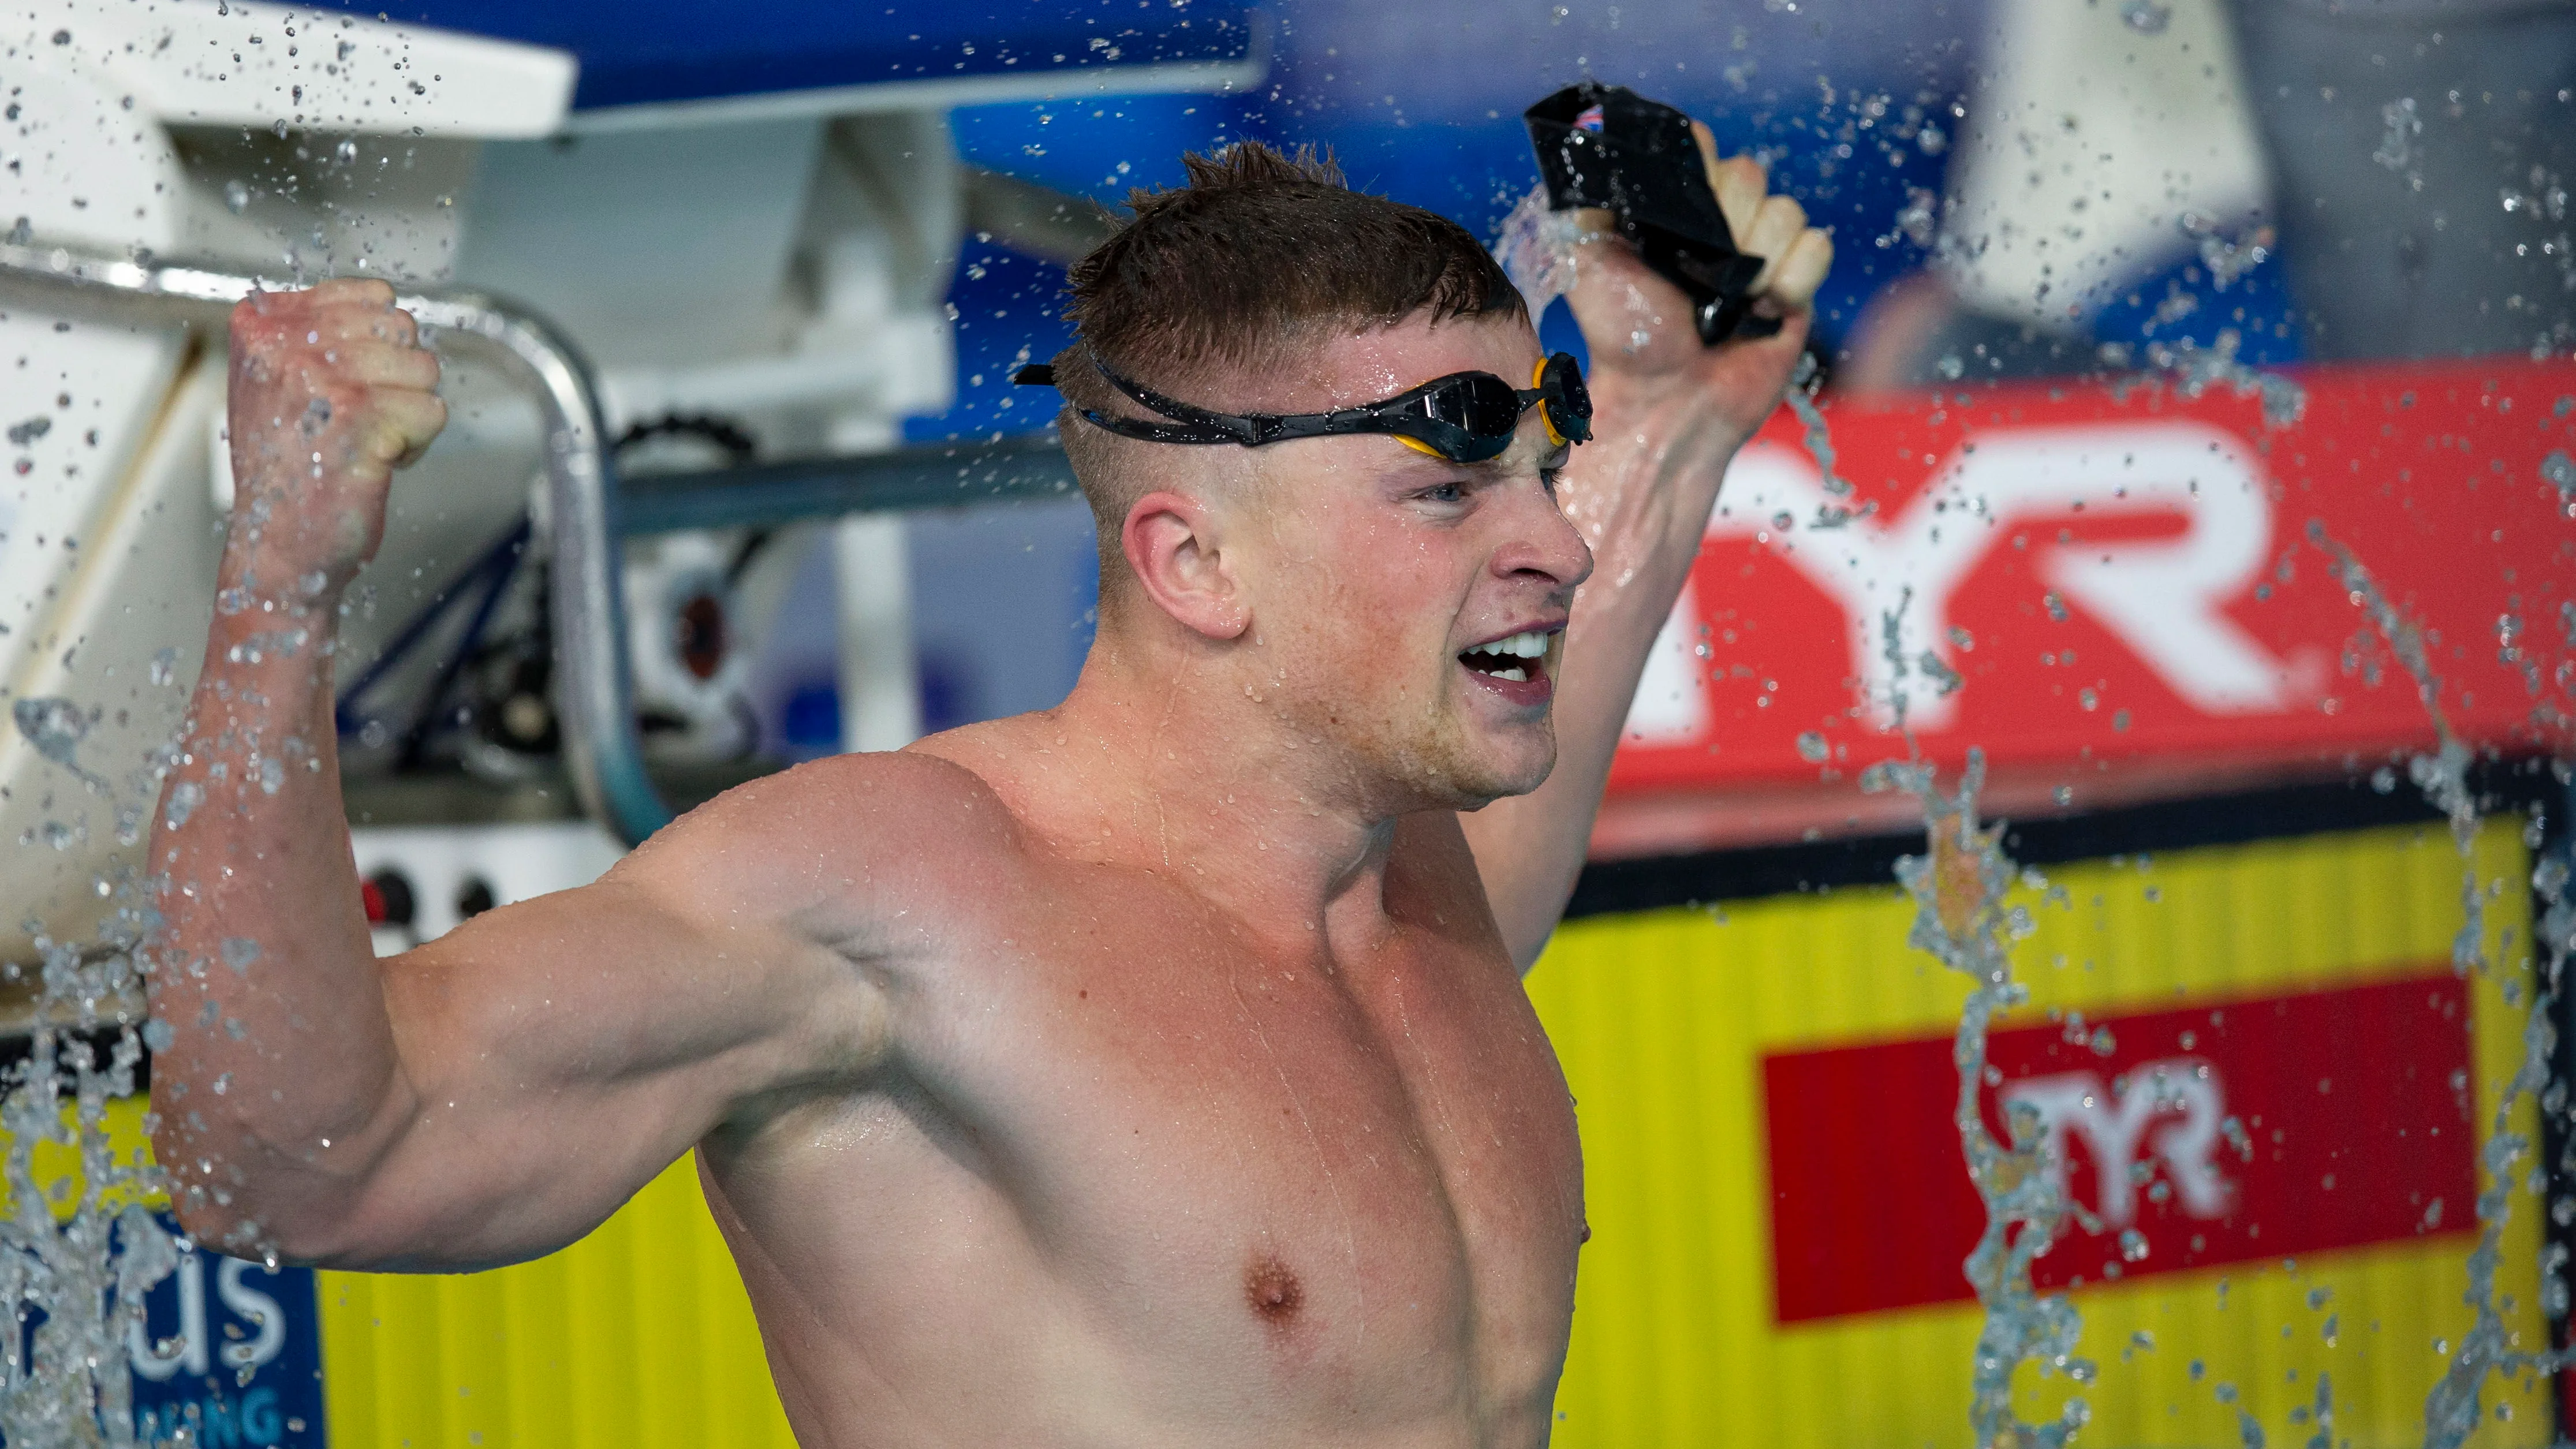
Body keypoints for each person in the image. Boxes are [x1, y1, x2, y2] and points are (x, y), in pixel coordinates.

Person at [150, 139, 1829, 1446]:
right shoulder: (900, 903)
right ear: (1193, 562)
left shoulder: (1415, 887)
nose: (1554, 540)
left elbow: (1554, 693)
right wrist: (281, 588)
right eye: (1449, 496)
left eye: (1539, 475)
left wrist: (1675, 420)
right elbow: (290, 1167)